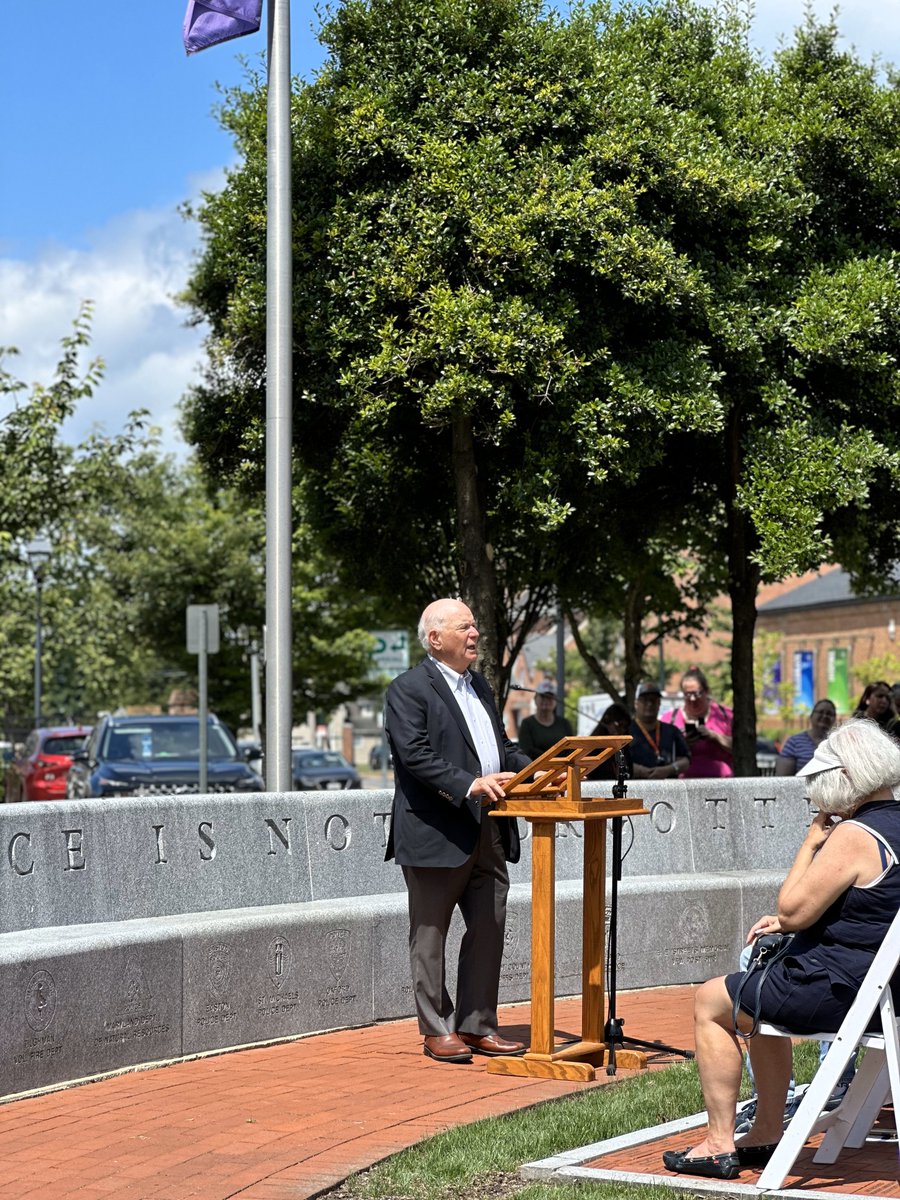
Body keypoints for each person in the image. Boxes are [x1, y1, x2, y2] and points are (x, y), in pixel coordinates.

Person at [662, 718, 900, 1180]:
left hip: (844, 993)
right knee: (753, 994)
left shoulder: (854, 836)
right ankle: (767, 1130)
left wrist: (811, 841)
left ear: (845, 778)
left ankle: (718, 1141)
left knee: (713, 999)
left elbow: (790, 910)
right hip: (887, 992)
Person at [384, 598, 530, 1065]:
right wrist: (469, 784)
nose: (475, 634)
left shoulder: (481, 686)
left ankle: (477, 1024)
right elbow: (415, 755)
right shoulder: (407, 689)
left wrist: (541, 771)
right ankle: (436, 1027)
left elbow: (501, 748)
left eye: (474, 626)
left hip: (490, 827)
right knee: (430, 935)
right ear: (435, 638)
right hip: (436, 832)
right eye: (465, 627)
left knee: (489, 927)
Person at [664, 667, 733, 777]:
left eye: (697, 694)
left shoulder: (725, 716)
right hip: (683, 788)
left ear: (707, 691)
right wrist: (683, 744)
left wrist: (714, 736)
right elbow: (662, 754)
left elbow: (740, 749)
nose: (692, 699)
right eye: (687, 694)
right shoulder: (670, 718)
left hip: (722, 785)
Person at [629, 682, 690, 780]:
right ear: (636, 703)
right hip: (634, 789)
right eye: (645, 700)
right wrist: (640, 771)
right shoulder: (625, 732)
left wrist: (669, 770)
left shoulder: (672, 731)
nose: (649, 704)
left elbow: (686, 761)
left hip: (669, 788)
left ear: (659, 704)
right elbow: (615, 762)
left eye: (653, 700)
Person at [775, 699, 837, 776]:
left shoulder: (839, 744)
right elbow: (782, 777)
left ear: (834, 719)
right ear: (811, 716)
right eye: (821, 712)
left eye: (829, 714)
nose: (824, 716)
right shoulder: (794, 742)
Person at [517, 681, 573, 760]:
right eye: (543, 696)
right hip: (536, 769)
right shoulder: (527, 723)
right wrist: (552, 759)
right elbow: (527, 750)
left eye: (550, 697)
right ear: (535, 699)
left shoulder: (564, 723)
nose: (546, 700)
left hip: (562, 768)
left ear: (555, 701)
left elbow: (571, 748)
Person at [586, 702, 633, 781]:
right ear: (607, 721)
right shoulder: (592, 749)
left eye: (625, 726)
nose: (622, 730)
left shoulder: (624, 748)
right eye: (619, 725)